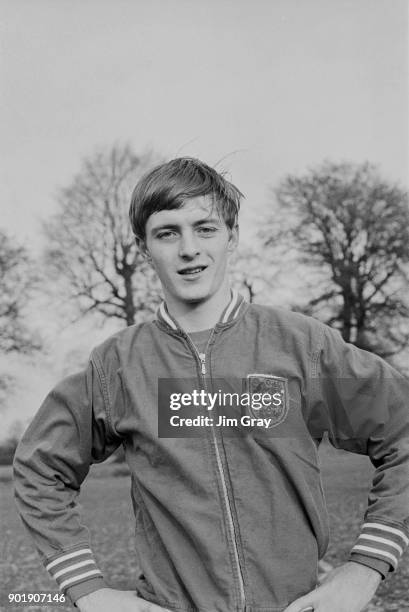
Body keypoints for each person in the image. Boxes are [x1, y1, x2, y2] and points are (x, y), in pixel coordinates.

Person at [14, 158, 409, 612]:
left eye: (205, 228)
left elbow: (401, 428)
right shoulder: (118, 367)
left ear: (232, 237)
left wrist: (366, 567)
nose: (189, 249)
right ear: (144, 248)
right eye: (167, 233)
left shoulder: (300, 347)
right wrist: (89, 591)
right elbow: (40, 467)